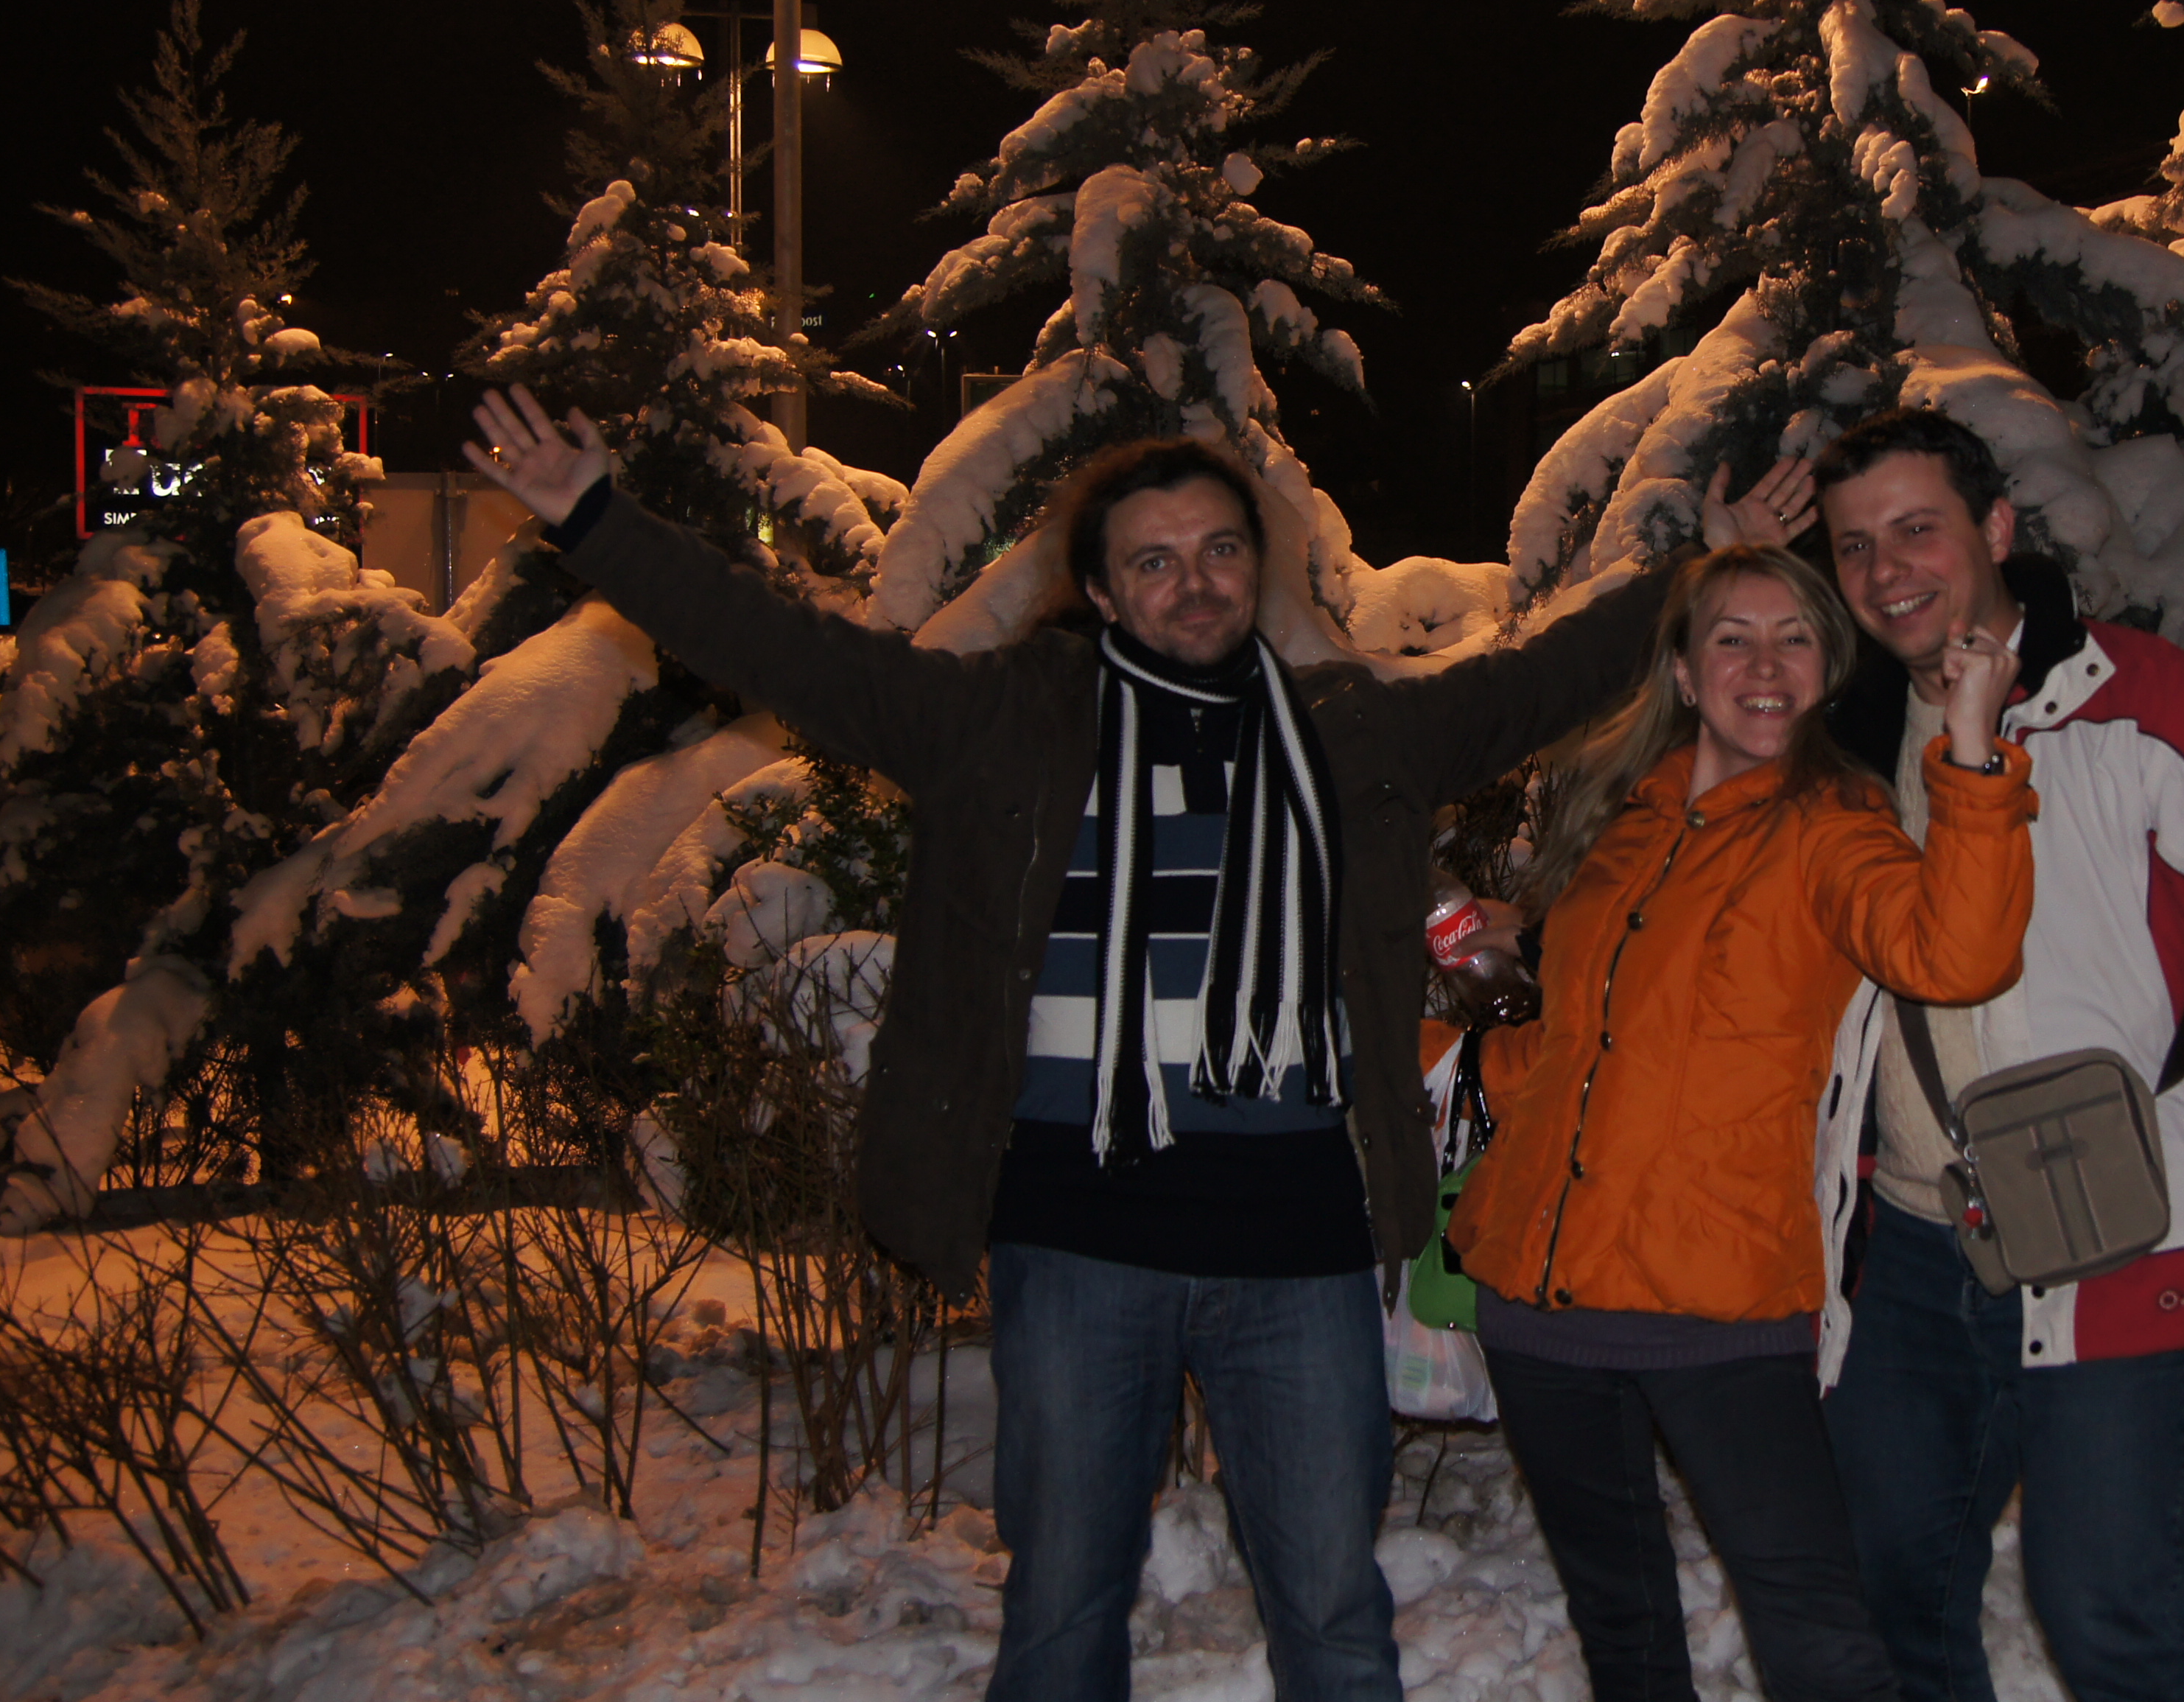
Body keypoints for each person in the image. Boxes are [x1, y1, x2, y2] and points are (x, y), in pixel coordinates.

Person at [462, 386, 1814, 1702]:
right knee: (1063, 1600)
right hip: (1077, 1239)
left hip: (1297, 1242)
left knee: (1334, 1607)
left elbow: (1544, 679)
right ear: (1103, 594)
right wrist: (595, 520)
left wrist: (1706, 566)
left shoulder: (1354, 737)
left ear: (1254, 571)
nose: (1194, 582)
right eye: (1154, 561)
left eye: (1219, 550)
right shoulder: (999, 723)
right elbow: (787, 651)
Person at [1804, 409, 2184, 1702]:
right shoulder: (1847, 743)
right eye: (1854, 545)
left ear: (1996, 529)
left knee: (2112, 1624)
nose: (1887, 570)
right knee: (1890, 1597)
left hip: (2125, 1229)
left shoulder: (2148, 706)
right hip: (1912, 1244)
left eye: (1917, 529)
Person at [1444, 544, 2034, 1702]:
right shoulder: (1627, 824)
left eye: (1794, 638)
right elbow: (1585, 1050)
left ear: (1827, 668)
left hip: (1716, 1302)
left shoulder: (1833, 825)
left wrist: (1972, 747)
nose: (1765, 665)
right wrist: (1451, 1062)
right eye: (1733, 638)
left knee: (1814, 1630)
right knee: (1620, 1625)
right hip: (1536, 1295)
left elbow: (1956, 955)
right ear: (1682, 670)